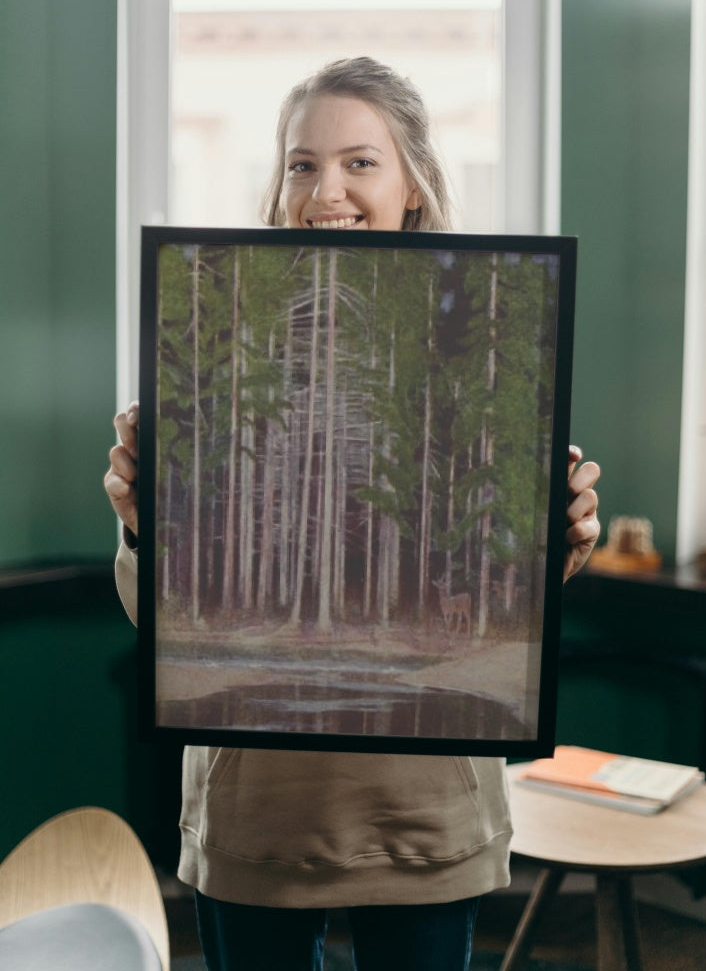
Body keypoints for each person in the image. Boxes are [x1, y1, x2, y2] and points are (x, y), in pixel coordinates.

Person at [105, 57, 601, 971]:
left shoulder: (475, 338)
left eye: (359, 162)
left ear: (412, 183)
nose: (324, 189)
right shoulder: (217, 335)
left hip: (425, 815)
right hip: (256, 817)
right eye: (301, 163)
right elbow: (160, 621)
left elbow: (499, 595)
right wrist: (145, 528)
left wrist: (552, 544)